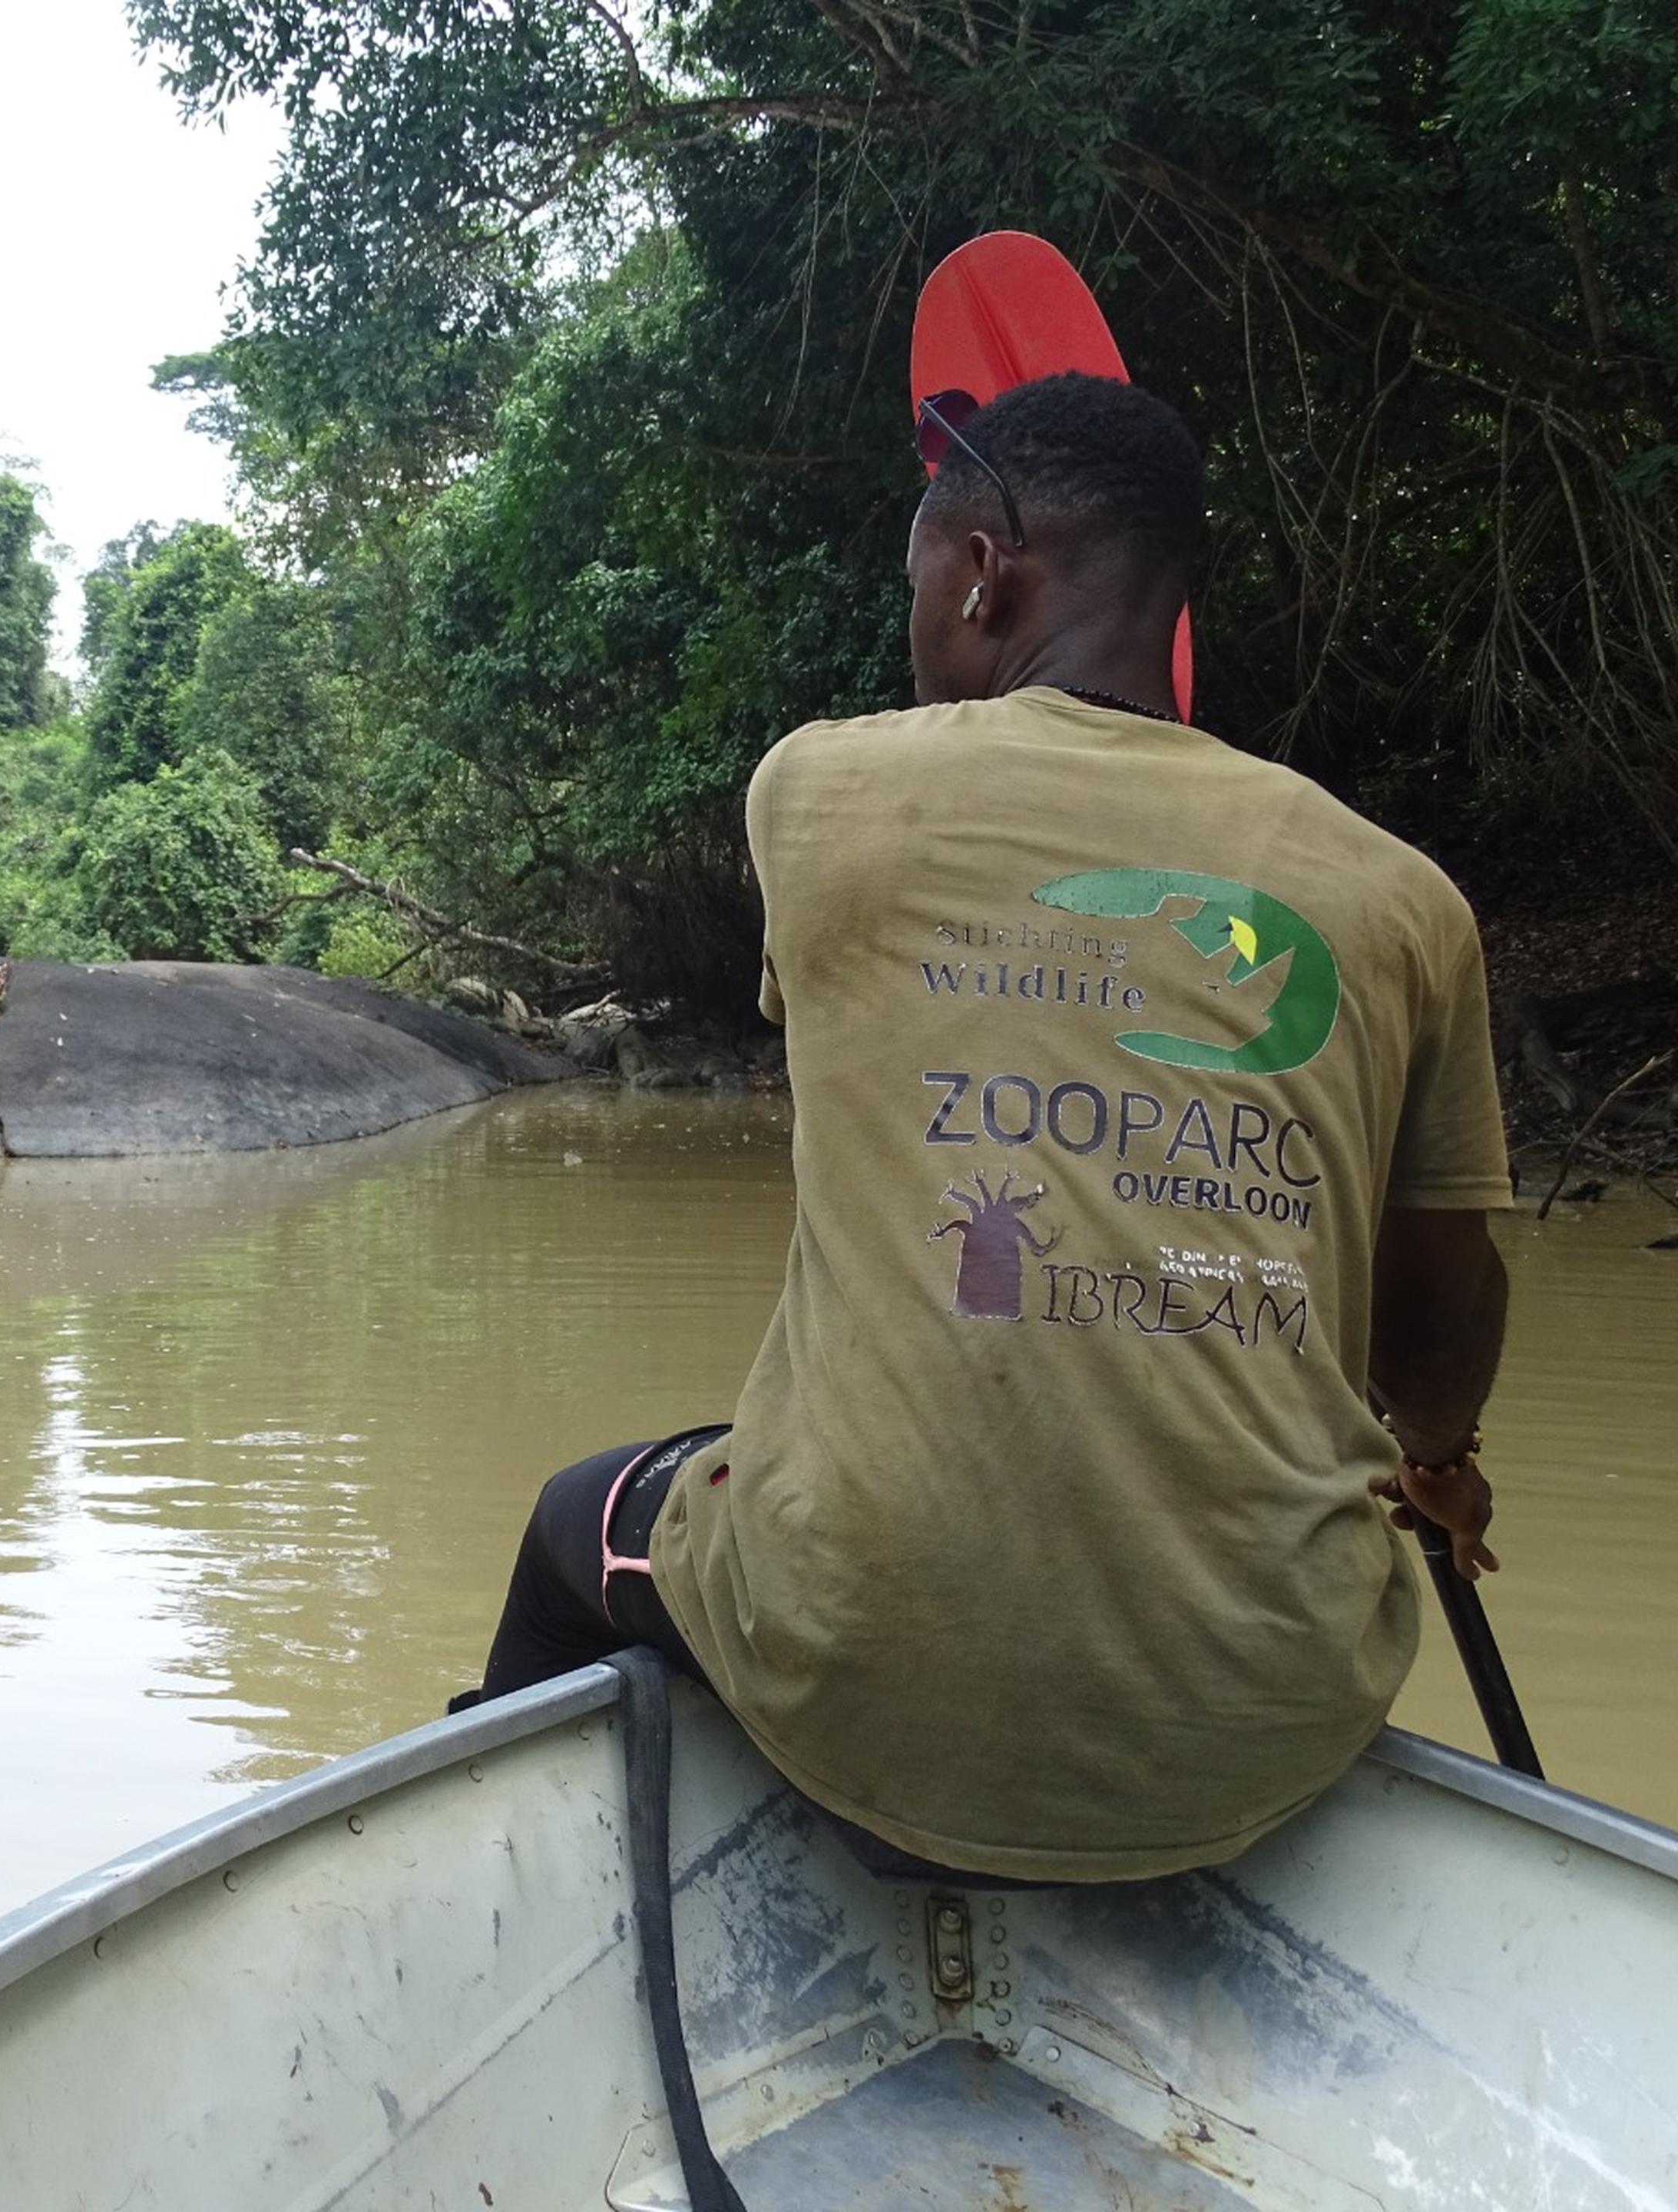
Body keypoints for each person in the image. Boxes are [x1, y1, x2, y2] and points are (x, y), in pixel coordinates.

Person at [465, 372, 1514, 1885]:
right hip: (1278, 1710)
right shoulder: (1402, 898)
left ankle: (537, 1907)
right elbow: (1437, 1314)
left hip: (860, 1683)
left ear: (976, 572)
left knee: (580, 1518)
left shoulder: (823, 798)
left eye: (916, 583)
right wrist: (1444, 1460)